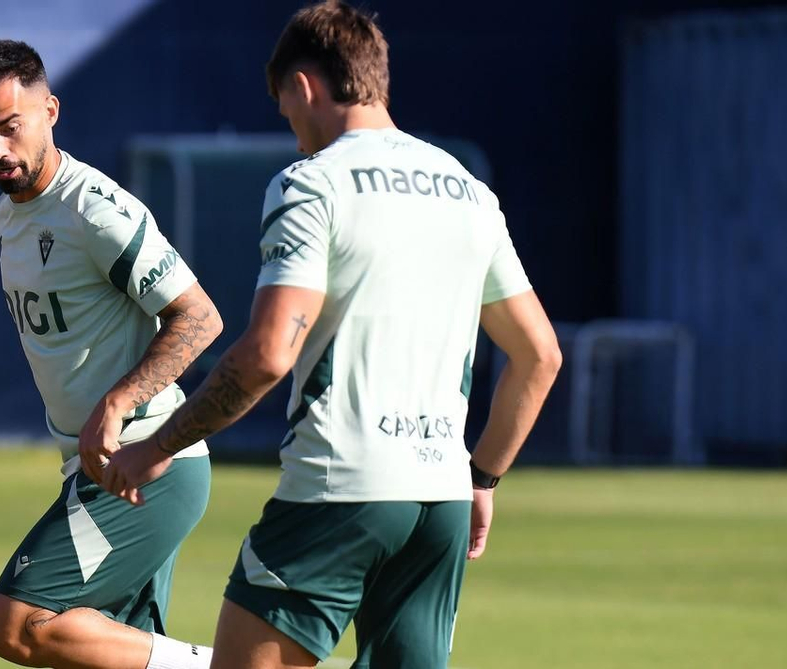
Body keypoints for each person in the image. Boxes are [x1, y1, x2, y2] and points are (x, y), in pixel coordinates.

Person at [103, 3, 564, 668]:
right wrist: (482, 477)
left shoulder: (312, 183)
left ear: (303, 85)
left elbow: (268, 354)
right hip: (439, 497)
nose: (294, 137)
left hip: (340, 488)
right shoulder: (470, 193)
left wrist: (158, 445)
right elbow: (539, 355)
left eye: (286, 110)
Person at [0, 40, 223, 669]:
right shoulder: (5, 216)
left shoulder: (95, 210)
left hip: (147, 463)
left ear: (50, 111)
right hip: (94, 468)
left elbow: (200, 317)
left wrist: (118, 402)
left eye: (10, 127)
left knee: (14, 623)